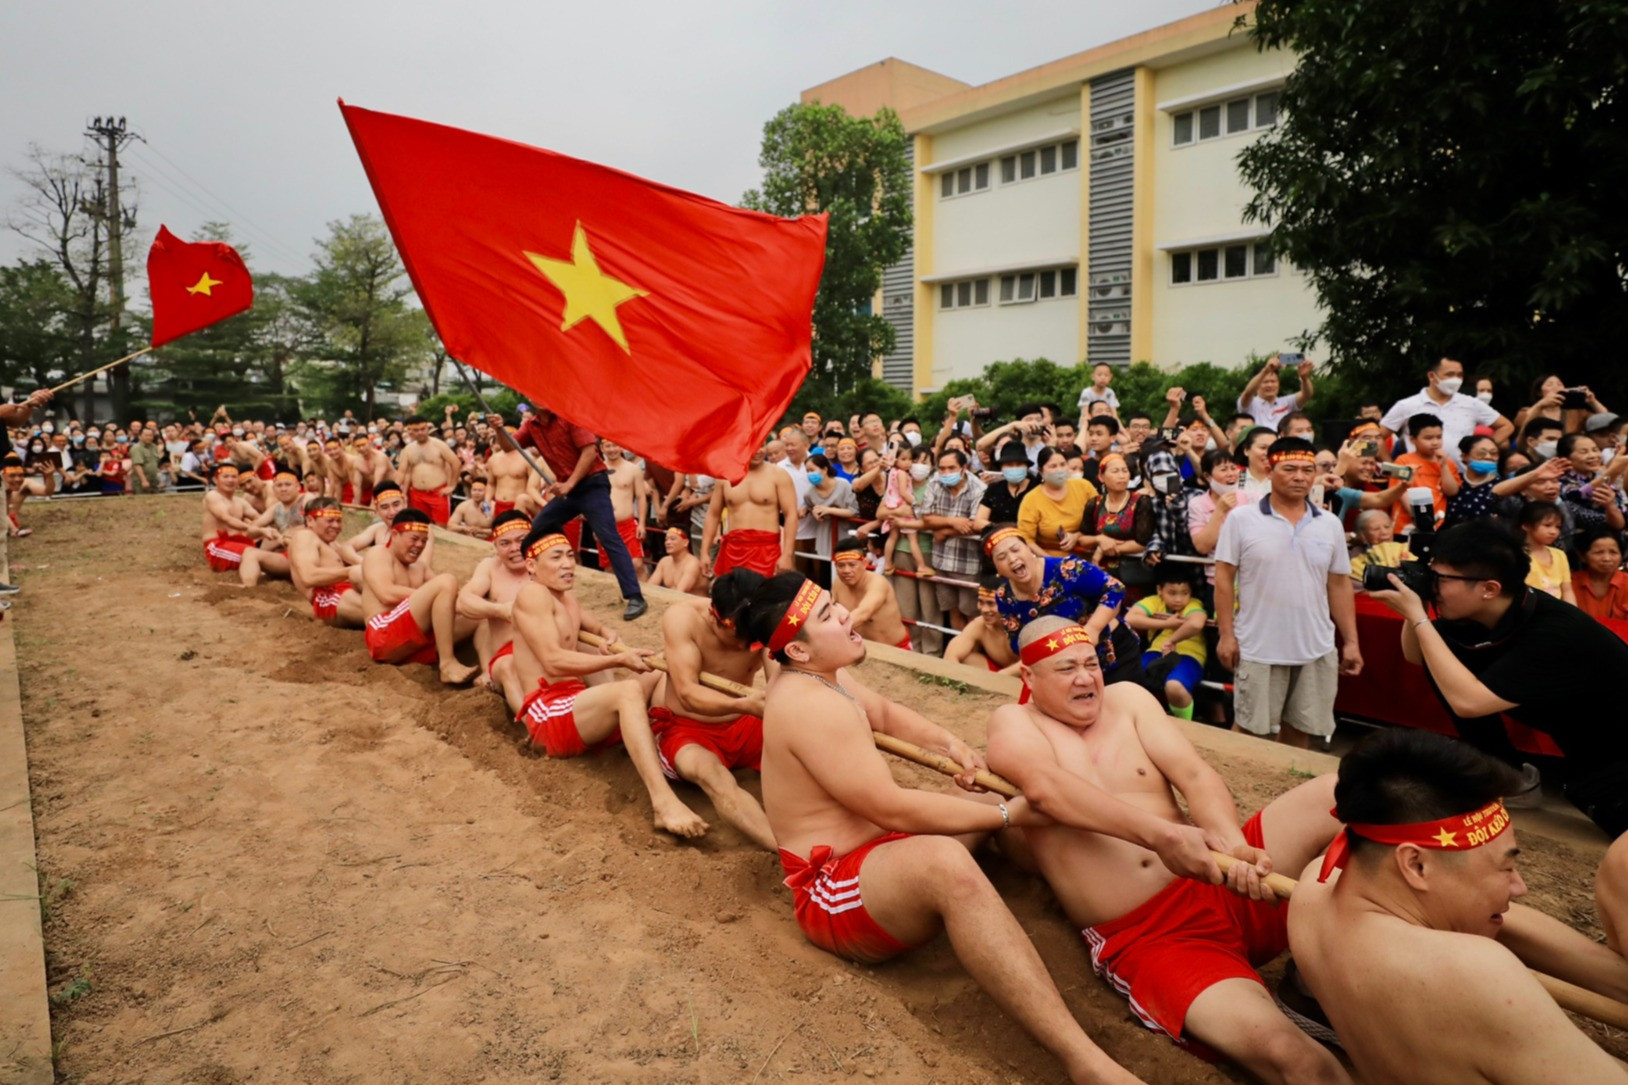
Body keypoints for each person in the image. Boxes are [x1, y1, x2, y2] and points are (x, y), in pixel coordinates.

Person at [740, 573, 1146, 1085]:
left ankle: (1095, 904)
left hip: (884, 852)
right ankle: (1082, 1059)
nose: (845, 613)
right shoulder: (807, 704)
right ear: (797, 650)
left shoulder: (826, 675)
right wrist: (1005, 816)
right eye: (827, 615)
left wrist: (947, 741)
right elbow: (893, 809)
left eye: (831, 603)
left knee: (988, 797)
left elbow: (884, 713)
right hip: (833, 889)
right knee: (949, 859)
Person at [985, 617, 1346, 1084]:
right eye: (1066, 668)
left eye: (1091, 664)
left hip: (1220, 879)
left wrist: (1232, 843)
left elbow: (1193, 775)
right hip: (1157, 936)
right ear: (1029, 678)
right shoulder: (1013, 722)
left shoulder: (1130, 700)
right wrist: (1163, 835)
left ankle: (1309, 976)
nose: (1085, 678)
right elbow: (1046, 789)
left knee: (1342, 790)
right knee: (1296, 1059)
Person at [1288, 729, 1628, 1085]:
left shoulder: (1313, 889)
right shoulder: (1477, 974)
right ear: (1416, 866)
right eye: (1506, 868)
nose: (1520, 887)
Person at [1369, 518, 1628, 835]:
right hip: (1588, 745)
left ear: (1490, 588)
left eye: (1440, 578)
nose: (1431, 583)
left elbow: (1468, 703)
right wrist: (1418, 605)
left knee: (1598, 801)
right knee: (1445, 663)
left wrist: (1418, 617)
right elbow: (1417, 655)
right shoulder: (1485, 609)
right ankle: (1507, 776)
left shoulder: (1554, 634)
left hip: (1615, 755)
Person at [508, 528, 708, 838]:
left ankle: (691, 745)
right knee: (628, 690)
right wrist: (617, 660)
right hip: (546, 713)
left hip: (575, 704)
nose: (567, 564)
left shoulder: (565, 597)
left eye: (570, 556)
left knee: (662, 668)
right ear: (532, 566)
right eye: (556, 557)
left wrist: (609, 635)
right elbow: (553, 661)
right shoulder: (532, 594)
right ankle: (663, 803)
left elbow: (598, 627)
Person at [1215, 438, 1363, 748]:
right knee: (1250, 732)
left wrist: (1351, 642)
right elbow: (1224, 578)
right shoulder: (1242, 519)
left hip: (1315, 646)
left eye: (1308, 470)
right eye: (1290, 469)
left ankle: (1290, 793)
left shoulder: (1330, 524)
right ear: (1270, 470)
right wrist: (1226, 634)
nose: (1300, 477)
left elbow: (1338, 584)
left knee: (1301, 731)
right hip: (1258, 645)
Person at [651, 570, 774, 849]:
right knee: (714, 776)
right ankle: (791, 856)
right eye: (737, 636)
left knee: (807, 746)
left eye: (751, 639)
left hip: (747, 722)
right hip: (689, 731)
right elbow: (687, 693)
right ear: (713, 616)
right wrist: (742, 704)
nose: (745, 646)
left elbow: (782, 682)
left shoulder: (764, 622)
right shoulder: (682, 618)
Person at [512, 406, 647, 620]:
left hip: (592, 485)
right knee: (537, 529)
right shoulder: (531, 425)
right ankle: (523, 583)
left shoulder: (570, 415)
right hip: (569, 489)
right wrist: (499, 429)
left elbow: (589, 452)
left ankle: (635, 597)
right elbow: (510, 446)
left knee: (608, 537)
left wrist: (568, 485)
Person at [987, 524, 1145, 688]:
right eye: (1001, 557)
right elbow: (1020, 643)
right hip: (1064, 666)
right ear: (996, 567)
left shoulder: (1066, 569)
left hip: (1113, 650)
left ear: (1028, 549)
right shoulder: (1004, 597)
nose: (1012, 559)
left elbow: (1115, 589)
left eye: (1016, 549)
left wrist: (1093, 628)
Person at [358, 508, 480, 684]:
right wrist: (429, 596)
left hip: (410, 646)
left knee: (479, 617)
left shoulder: (419, 567)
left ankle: (486, 672)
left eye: (424, 541)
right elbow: (385, 594)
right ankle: (447, 664)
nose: (419, 545)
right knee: (446, 581)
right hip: (382, 635)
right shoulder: (379, 554)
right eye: (414, 539)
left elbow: (449, 595)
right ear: (394, 534)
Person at [455, 510, 534, 705]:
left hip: (549, 651)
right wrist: (500, 610)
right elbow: (463, 601)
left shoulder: (547, 563)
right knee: (484, 617)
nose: (515, 548)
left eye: (521, 540)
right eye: (505, 543)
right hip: (509, 656)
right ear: (495, 547)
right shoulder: (490, 567)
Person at [1380, 357, 1513, 465]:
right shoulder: (1407, 405)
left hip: (1461, 477)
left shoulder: (1471, 403)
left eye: (1459, 375)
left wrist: (1481, 450)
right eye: (1449, 374)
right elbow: (1376, 438)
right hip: (1420, 478)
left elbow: (1506, 426)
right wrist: (1389, 465)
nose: (1455, 379)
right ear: (1432, 376)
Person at [702, 444, 798, 581]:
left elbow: (791, 515)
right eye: (752, 446)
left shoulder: (779, 475)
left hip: (767, 550)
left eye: (761, 445)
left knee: (766, 597)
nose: (758, 451)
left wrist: (787, 554)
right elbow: (713, 514)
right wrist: (704, 552)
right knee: (731, 597)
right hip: (733, 548)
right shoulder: (725, 477)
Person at [1126, 566, 1209, 719]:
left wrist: (1172, 640)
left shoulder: (1193, 604)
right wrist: (1167, 624)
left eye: (1185, 593)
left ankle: (1185, 727)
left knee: (1175, 686)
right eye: (1172, 593)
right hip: (1156, 652)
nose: (1178, 599)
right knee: (1130, 678)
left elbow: (1196, 623)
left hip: (1190, 655)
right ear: (1160, 590)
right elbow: (1130, 618)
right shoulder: (1154, 601)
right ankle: (1137, 720)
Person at [918, 448, 988, 630]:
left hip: (967, 562)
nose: (946, 473)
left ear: (964, 467)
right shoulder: (934, 483)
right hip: (941, 560)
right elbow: (926, 517)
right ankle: (955, 653)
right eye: (942, 468)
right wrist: (953, 522)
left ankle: (971, 654)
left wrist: (943, 531)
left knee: (971, 613)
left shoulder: (979, 488)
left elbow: (973, 524)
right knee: (952, 610)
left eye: (951, 468)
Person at [288, 498, 365, 628]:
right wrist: (350, 571)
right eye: (329, 520)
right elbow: (308, 576)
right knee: (384, 614)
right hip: (326, 596)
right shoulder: (305, 536)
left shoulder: (333, 544)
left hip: (343, 591)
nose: (335, 525)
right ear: (310, 520)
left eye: (338, 521)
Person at [201, 465, 280, 585]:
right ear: (216, 480)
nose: (230, 480)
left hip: (241, 543)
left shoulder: (241, 502)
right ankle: (248, 585)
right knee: (253, 555)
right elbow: (227, 518)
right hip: (218, 545)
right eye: (225, 476)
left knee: (271, 548)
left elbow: (260, 519)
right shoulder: (213, 496)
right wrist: (258, 529)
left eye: (233, 477)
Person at [1077, 453, 1152, 579]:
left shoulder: (1141, 501)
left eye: (1125, 471)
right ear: (1101, 477)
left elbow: (1142, 542)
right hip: (1100, 570)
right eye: (1115, 471)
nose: (1121, 476)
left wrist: (1105, 549)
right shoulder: (1094, 503)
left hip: (1132, 572)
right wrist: (1099, 539)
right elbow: (1083, 539)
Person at [830, 538, 912, 650]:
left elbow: (863, 613)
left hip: (895, 649)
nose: (846, 570)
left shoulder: (877, 582)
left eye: (852, 565)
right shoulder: (838, 583)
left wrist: (826, 632)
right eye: (841, 565)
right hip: (859, 649)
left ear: (864, 563)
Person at [1017, 446, 1099, 557]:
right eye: (1053, 466)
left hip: (1088, 555)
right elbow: (1027, 539)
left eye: (1063, 464)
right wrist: (1051, 562)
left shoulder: (1084, 487)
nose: (1059, 470)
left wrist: (1077, 536)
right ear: (1041, 471)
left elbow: (1100, 518)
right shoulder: (1031, 499)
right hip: (1050, 559)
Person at [1391, 414, 1460, 533]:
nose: (1435, 442)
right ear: (1413, 440)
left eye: (1439, 437)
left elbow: (1452, 491)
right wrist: (1419, 517)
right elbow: (1400, 492)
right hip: (1406, 524)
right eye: (1428, 438)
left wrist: (1443, 466)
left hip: (1438, 523)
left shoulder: (1448, 463)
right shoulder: (1403, 461)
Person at [945, 576, 1022, 673]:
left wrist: (1002, 675)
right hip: (998, 674)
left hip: (1031, 677)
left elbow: (1034, 660)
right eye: (981, 602)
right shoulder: (980, 624)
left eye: (991, 603)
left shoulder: (1024, 624)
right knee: (966, 657)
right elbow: (951, 655)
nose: (984, 609)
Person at [796, 453, 859, 569]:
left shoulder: (843, 485)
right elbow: (811, 508)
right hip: (824, 538)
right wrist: (812, 511)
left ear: (824, 469)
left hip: (844, 535)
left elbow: (853, 511)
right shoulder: (809, 494)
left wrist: (829, 510)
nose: (810, 474)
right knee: (825, 571)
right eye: (807, 471)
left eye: (812, 470)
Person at [396, 415, 462, 525]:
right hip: (417, 494)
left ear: (427, 428)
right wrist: (396, 490)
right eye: (416, 430)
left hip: (438, 493)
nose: (420, 432)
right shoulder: (407, 449)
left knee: (442, 527)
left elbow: (456, 463)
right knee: (420, 525)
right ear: (410, 431)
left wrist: (452, 486)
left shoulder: (439, 445)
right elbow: (402, 472)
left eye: (423, 429)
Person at [598, 439, 649, 580]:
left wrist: (642, 524)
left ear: (621, 447)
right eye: (608, 446)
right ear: (602, 448)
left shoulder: (633, 469)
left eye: (615, 445)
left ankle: (646, 594)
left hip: (627, 523)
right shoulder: (597, 469)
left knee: (636, 564)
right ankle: (614, 598)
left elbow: (641, 497)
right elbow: (591, 498)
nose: (612, 449)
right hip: (605, 525)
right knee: (609, 567)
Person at [1516, 501, 1575, 603]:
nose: (1554, 531)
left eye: (1558, 527)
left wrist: (1573, 616)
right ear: (1526, 525)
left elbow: (1567, 591)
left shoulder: (1559, 555)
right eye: (1547, 525)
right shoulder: (1516, 555)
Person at [1237, 353, 1315, 430]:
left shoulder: (1286, 402)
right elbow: (1248, 393)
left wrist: (1305, 379)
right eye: (1265, 382)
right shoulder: (1251, 403)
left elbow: (1307, 394)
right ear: (1257, 384)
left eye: (1273, 381)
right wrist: (1265, 370)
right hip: (1259, 441)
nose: (1270, 385)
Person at [1572, 527, 1628, 622]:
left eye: (1613, 552)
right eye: (1599, 552)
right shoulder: (1569, 583)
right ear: (1582, 556)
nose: (1607, 558)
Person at [647, 526, 706, 595]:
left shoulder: (692, 564)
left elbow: (679, 593)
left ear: (685, 542)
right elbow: (649, 587)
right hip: (672, 600)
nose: (668, 542)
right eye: (666, 539)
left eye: (672, 539)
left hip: (693, 603)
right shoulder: (664, 561)